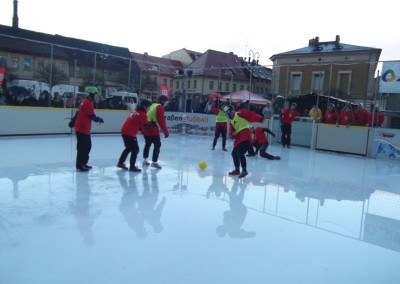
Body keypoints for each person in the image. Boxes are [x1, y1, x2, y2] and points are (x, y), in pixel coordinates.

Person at [224, 103, 264, 178]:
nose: (226, 115)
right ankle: (237, 170)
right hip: (239, 139)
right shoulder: (231, 122)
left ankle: (244, 171)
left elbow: (250, 114)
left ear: (229, 111)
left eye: (226, 113)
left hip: (245, 136)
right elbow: (231, 132)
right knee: (234, 153)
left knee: (240, 153)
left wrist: (260, 118)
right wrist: (232, 133)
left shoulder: (239, 113)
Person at [117, 99, 152, 172]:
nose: (149, 109)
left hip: (124, 131)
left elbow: (139, 124)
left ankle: (120, 163)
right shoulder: (142, 114)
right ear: (145, 106)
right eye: (149, 107)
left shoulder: (135, 110)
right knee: (135, 149)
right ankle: (132, 167)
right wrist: (152, 125)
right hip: (129, 133)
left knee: (128, 148)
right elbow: (144, 127)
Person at [74, 86, 104, 172]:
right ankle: (80, 165)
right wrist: (99, 119)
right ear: (91, 94)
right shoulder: (87, 102)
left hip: (83, 128)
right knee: (83, 147)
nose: (96, 96)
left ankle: (83, 163)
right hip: (82, 128)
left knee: (86, 146)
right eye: (95, 94)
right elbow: (92, 116)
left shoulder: (86, 101)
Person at [142, 95, 169, 169]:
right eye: (166, 102)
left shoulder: (153, 105)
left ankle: (145, 160)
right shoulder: (159, 107)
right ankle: (154, 162)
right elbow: (161, 121)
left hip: (145, 127)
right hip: (152, 128)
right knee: (157, 144)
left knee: (147, 144)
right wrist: (165, 132)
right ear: (163, 101)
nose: (167, 104)